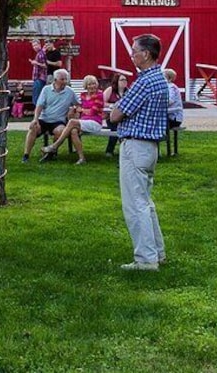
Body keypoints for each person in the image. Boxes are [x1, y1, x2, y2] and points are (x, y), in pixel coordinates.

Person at [110, 34, 169, 272]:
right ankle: (157, 252)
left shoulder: (144, 81)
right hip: (150, 147)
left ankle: (146, 259)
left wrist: (117, 108)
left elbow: (116, 114)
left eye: (134, 51)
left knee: (135, 204)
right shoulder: (160, 79)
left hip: (135, 146)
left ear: (146, 54)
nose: (132, 55)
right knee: (145, 202)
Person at [41, 75, 104, 165]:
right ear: (86, 86)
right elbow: (78, 108)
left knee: (72, 122)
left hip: (95, 122)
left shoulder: (99, 95)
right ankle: (82, 158)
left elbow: (93, 112)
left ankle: (54, 146)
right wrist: (74, 109)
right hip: (83, 122)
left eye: (94, 84)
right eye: (89, 84)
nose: (92, 86)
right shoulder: (83, 95)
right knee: (73, 131)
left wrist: (81, 110)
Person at [22, 69, 79, 163]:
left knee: (60, 131)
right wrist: (35, 119)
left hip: (58, 120)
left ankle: (51, 152)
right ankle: (26, 155)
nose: (64, 82)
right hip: (44, 119)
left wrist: (73, 109)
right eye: (62, 79)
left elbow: (78, 104)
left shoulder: (70, 92)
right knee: (33, 128)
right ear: (55, 80)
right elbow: (39, 106)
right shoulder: (46, 89)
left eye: (66, 79)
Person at [103, 73, 129, 157]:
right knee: (115, 128)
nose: (124, 82)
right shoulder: (110, 90)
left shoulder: (128, 92)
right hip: (110, 117)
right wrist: (111, 105)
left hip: (123, 118)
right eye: (122, 80)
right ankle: (109, 151)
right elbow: (102, 102)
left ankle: (126, 150)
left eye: (125, 80)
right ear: (116, 81)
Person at [28, 39, 47, 108]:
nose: (34, 47)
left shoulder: (41, 54)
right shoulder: (39, 53)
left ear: (39, 45)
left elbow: (45, 66)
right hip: (38, 78)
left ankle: (38, 114)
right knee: (37, 97)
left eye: (36, 45)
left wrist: (36, 63)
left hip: (40, 78)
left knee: (37, 98)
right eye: (33, 46)